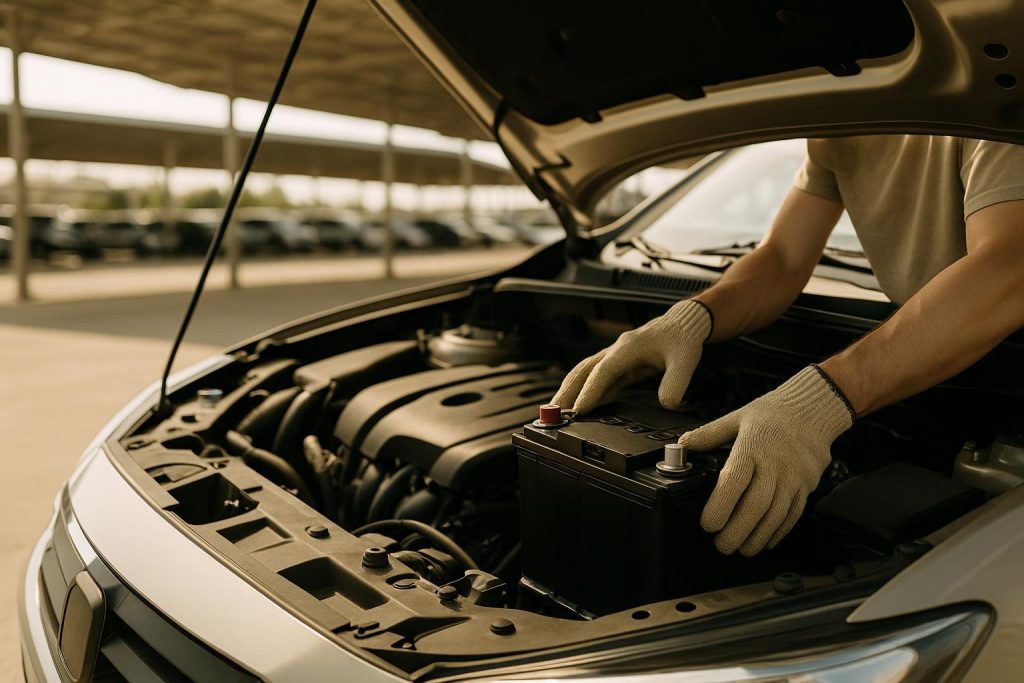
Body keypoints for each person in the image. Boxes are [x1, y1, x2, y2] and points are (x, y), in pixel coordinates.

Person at [552, 135, 1024, 557]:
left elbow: (1009, 264)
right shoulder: (838, 124)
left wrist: (818, 402)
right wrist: (691, 318)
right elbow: (782, 257)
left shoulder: (986, 95)